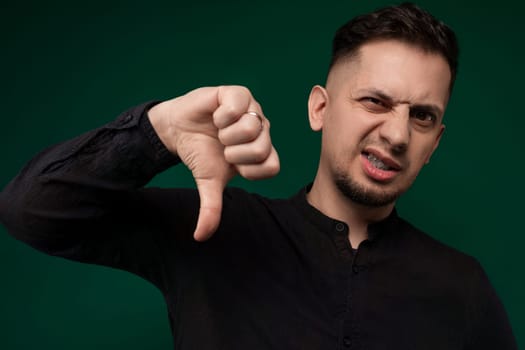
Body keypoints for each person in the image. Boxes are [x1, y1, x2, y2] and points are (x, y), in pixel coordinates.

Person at [0, 2, 517, 349]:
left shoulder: (463, 287)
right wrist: (157, 131)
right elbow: (33, 211)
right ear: (320, 109)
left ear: (435, 143)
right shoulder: (216, 230)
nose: (399, 134)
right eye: (374, 102)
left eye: (421, 116)